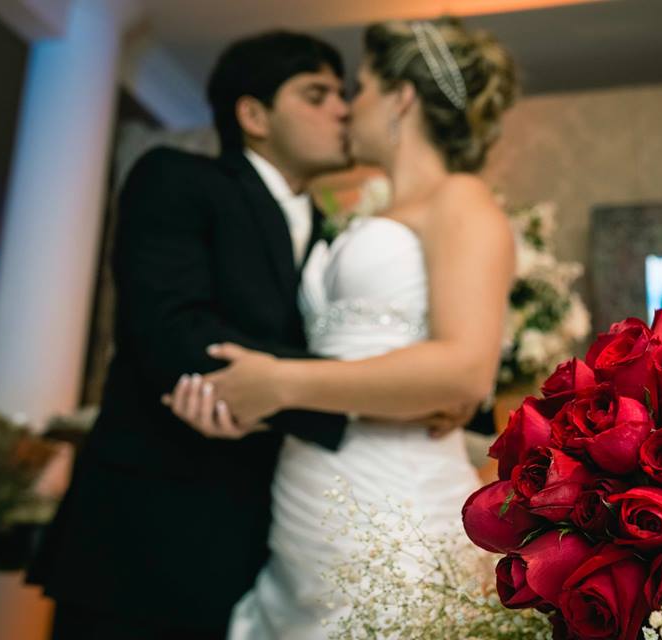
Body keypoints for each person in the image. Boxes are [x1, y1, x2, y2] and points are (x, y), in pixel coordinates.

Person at [28, 31, 467, 640]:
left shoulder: (333, 231)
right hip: (147, 539)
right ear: (254, 115)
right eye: (316, 94)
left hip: (271, 544)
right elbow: (176, 335)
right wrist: (372, 403)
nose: (342, 109)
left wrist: (420, 384)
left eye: (343, 93)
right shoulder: (176, 178)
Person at [166, 17, 518, 639]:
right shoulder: (373, 210)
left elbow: (465, 369)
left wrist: (281, 384)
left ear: (400, 99)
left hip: (391, 495)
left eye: (360, 88)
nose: (348, 108)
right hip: (307, 490)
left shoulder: (459, 199)